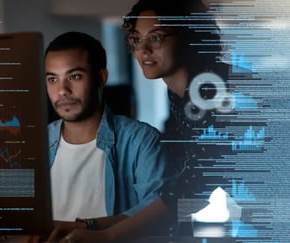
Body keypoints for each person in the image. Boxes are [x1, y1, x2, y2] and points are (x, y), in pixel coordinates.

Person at [122, 0, 257, 237]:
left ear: (188, 35)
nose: (142, 50)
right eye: (136, 39)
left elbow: (195, 187)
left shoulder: (211, 88)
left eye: (156, 37)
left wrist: (110, 231)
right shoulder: (180, 93)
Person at [43, 31, 173, 243]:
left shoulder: (140, 140)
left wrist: (88, 227)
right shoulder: (39, 142)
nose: (62, 91)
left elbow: (160, 210)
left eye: (74, 77)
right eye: (52, 79)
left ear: (101, 78)